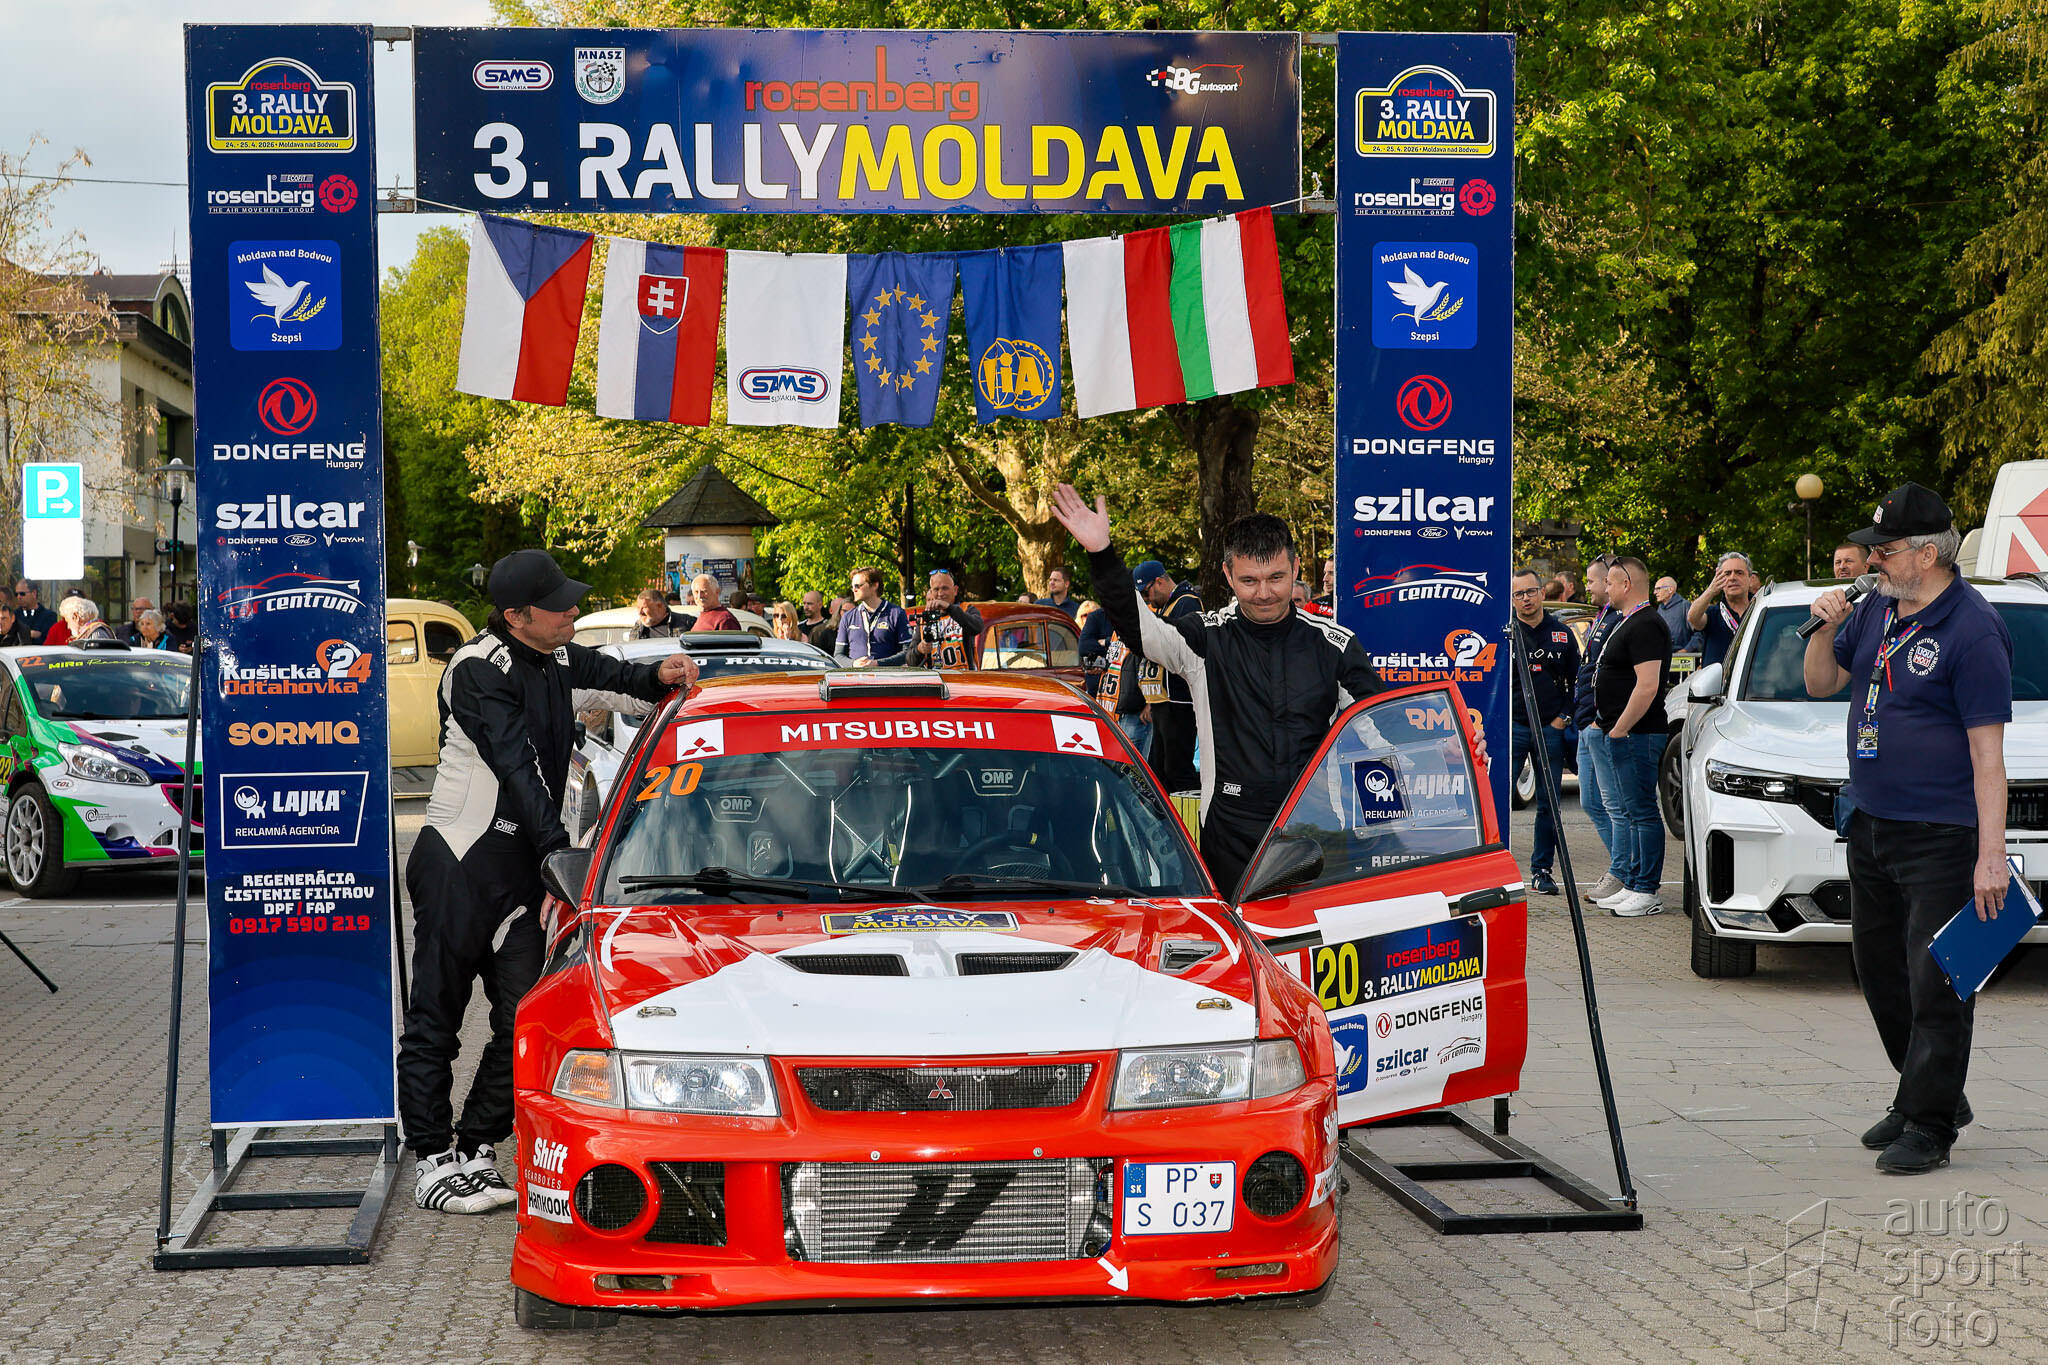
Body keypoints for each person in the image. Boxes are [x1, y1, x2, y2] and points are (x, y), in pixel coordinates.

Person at [399, 549, 697, 1214]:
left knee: (522, 1018)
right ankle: (430, 1158)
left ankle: (477, 1144)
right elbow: (519, 768)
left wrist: (661, 674)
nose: (573, 610)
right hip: (460, 862)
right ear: (516, 616)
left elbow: (617, 676)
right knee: (436, 1017)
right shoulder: (477, 667)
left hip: (523, 871)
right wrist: (563, 857)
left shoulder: (555, 653)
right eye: (558, 604)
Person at [1052, 486, 1414, 900]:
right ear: (1227, 576)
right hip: (1230, 832)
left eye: (1276, 578)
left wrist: (1447, 750)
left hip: (1315, 829)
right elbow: (1141, 632)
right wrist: (1102, 554)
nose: (1264, 593)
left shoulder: (1335, 645)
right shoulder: (1206, 638)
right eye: (1249, 581)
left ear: (1296, 568)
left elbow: (1381, 728)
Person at [1804, 483, 2009, 1174]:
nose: (1871, 560)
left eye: (1884, 550)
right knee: (1878, 971)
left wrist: (1991, 855)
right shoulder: (1876, 609)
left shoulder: (1972, 629)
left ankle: (1929, 1122)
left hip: (1940, 833)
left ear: (1926, 554)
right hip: (1870, 820)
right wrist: (1824, 627)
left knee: (1938, 978)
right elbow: (1821, 684)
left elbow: (1988, 755)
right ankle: (1926, 1090)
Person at [1587, 557, 1673, 917]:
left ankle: (1647, 889)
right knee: (1631, 811)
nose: (1605, 588)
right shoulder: (1629, 621)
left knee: (1642, 812)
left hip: (1637, 733)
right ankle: (1635, 882)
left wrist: (1620, 727)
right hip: (1623, 731)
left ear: (1626, 585)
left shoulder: (1646, 624)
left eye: (1609, 581)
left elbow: (1648, 685)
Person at [1509, 569, 1579, 897]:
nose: (1526, 599)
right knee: (1498, 802)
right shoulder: (1505, 633)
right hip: (1513, 728)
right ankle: (1496, 870)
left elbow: (1578, 681)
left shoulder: (1562, 634)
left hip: (1550, 727)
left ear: (1541, 593)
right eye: (1518, 594)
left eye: (1530, 591)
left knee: (1549, 803)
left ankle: (1541, 871)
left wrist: (1564, 718)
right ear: (1512, 599)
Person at [1572, 555, 1625, 900]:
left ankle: (1622, 871)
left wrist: (1599, 718)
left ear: (1610, 582)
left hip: (1599, 723)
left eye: (1593, 581)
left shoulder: (1621, 620)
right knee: (1591, 802)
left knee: (1613, 804)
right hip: (1586, 723)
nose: (1589, 586)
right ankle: (1622, 866)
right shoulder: (1602, 617)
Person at [1130, 560, 1202, 793]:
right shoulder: (1167, 605)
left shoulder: (1186, 602)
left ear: (1159, 582)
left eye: (1146, 592)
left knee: (1176, 768)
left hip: (1178, 699)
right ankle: (1167, 812)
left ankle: (1190, 812)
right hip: (1164, 699)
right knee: (1159, 769)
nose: (1147, 599)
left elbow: (1181, 642)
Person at [1686, 551, 1757, 669]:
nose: (1732, 578)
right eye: (1727, 574)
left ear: (1750, 578)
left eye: (1739, 573)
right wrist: (1711, 590)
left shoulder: (1760, 609)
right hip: (1718, 680)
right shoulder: (1713, 613)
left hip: (1753, 678)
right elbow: (1692, 618)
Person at [903, 568, 984, 668]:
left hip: (964, 676)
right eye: (936, 589)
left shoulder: (966, 609)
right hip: (936, 677)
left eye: (945, 588)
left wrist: (949, 608)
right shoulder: (924, 619)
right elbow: (910, 661)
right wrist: (920, 649)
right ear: (931, 592)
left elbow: (977, 627)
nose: (940, 594)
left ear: (955, 590)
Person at [835, 567, 913, 667]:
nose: (854, 590)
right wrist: (853, 664)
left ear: (875, 585)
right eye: (852, 586)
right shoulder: (847, 617)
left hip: (887, 675)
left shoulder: (896, 613)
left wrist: (878, 664)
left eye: (858, 586)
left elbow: (908, 652)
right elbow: (838, 656)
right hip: (856, 675)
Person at [1654, 575, 1691, 646]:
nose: (1655, 592)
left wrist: (1686, 650)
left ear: (1670, 590)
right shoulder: (1659, 609)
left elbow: (1698, 633)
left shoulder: (1685, 606)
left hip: (1683, 652)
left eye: (1658, 589)